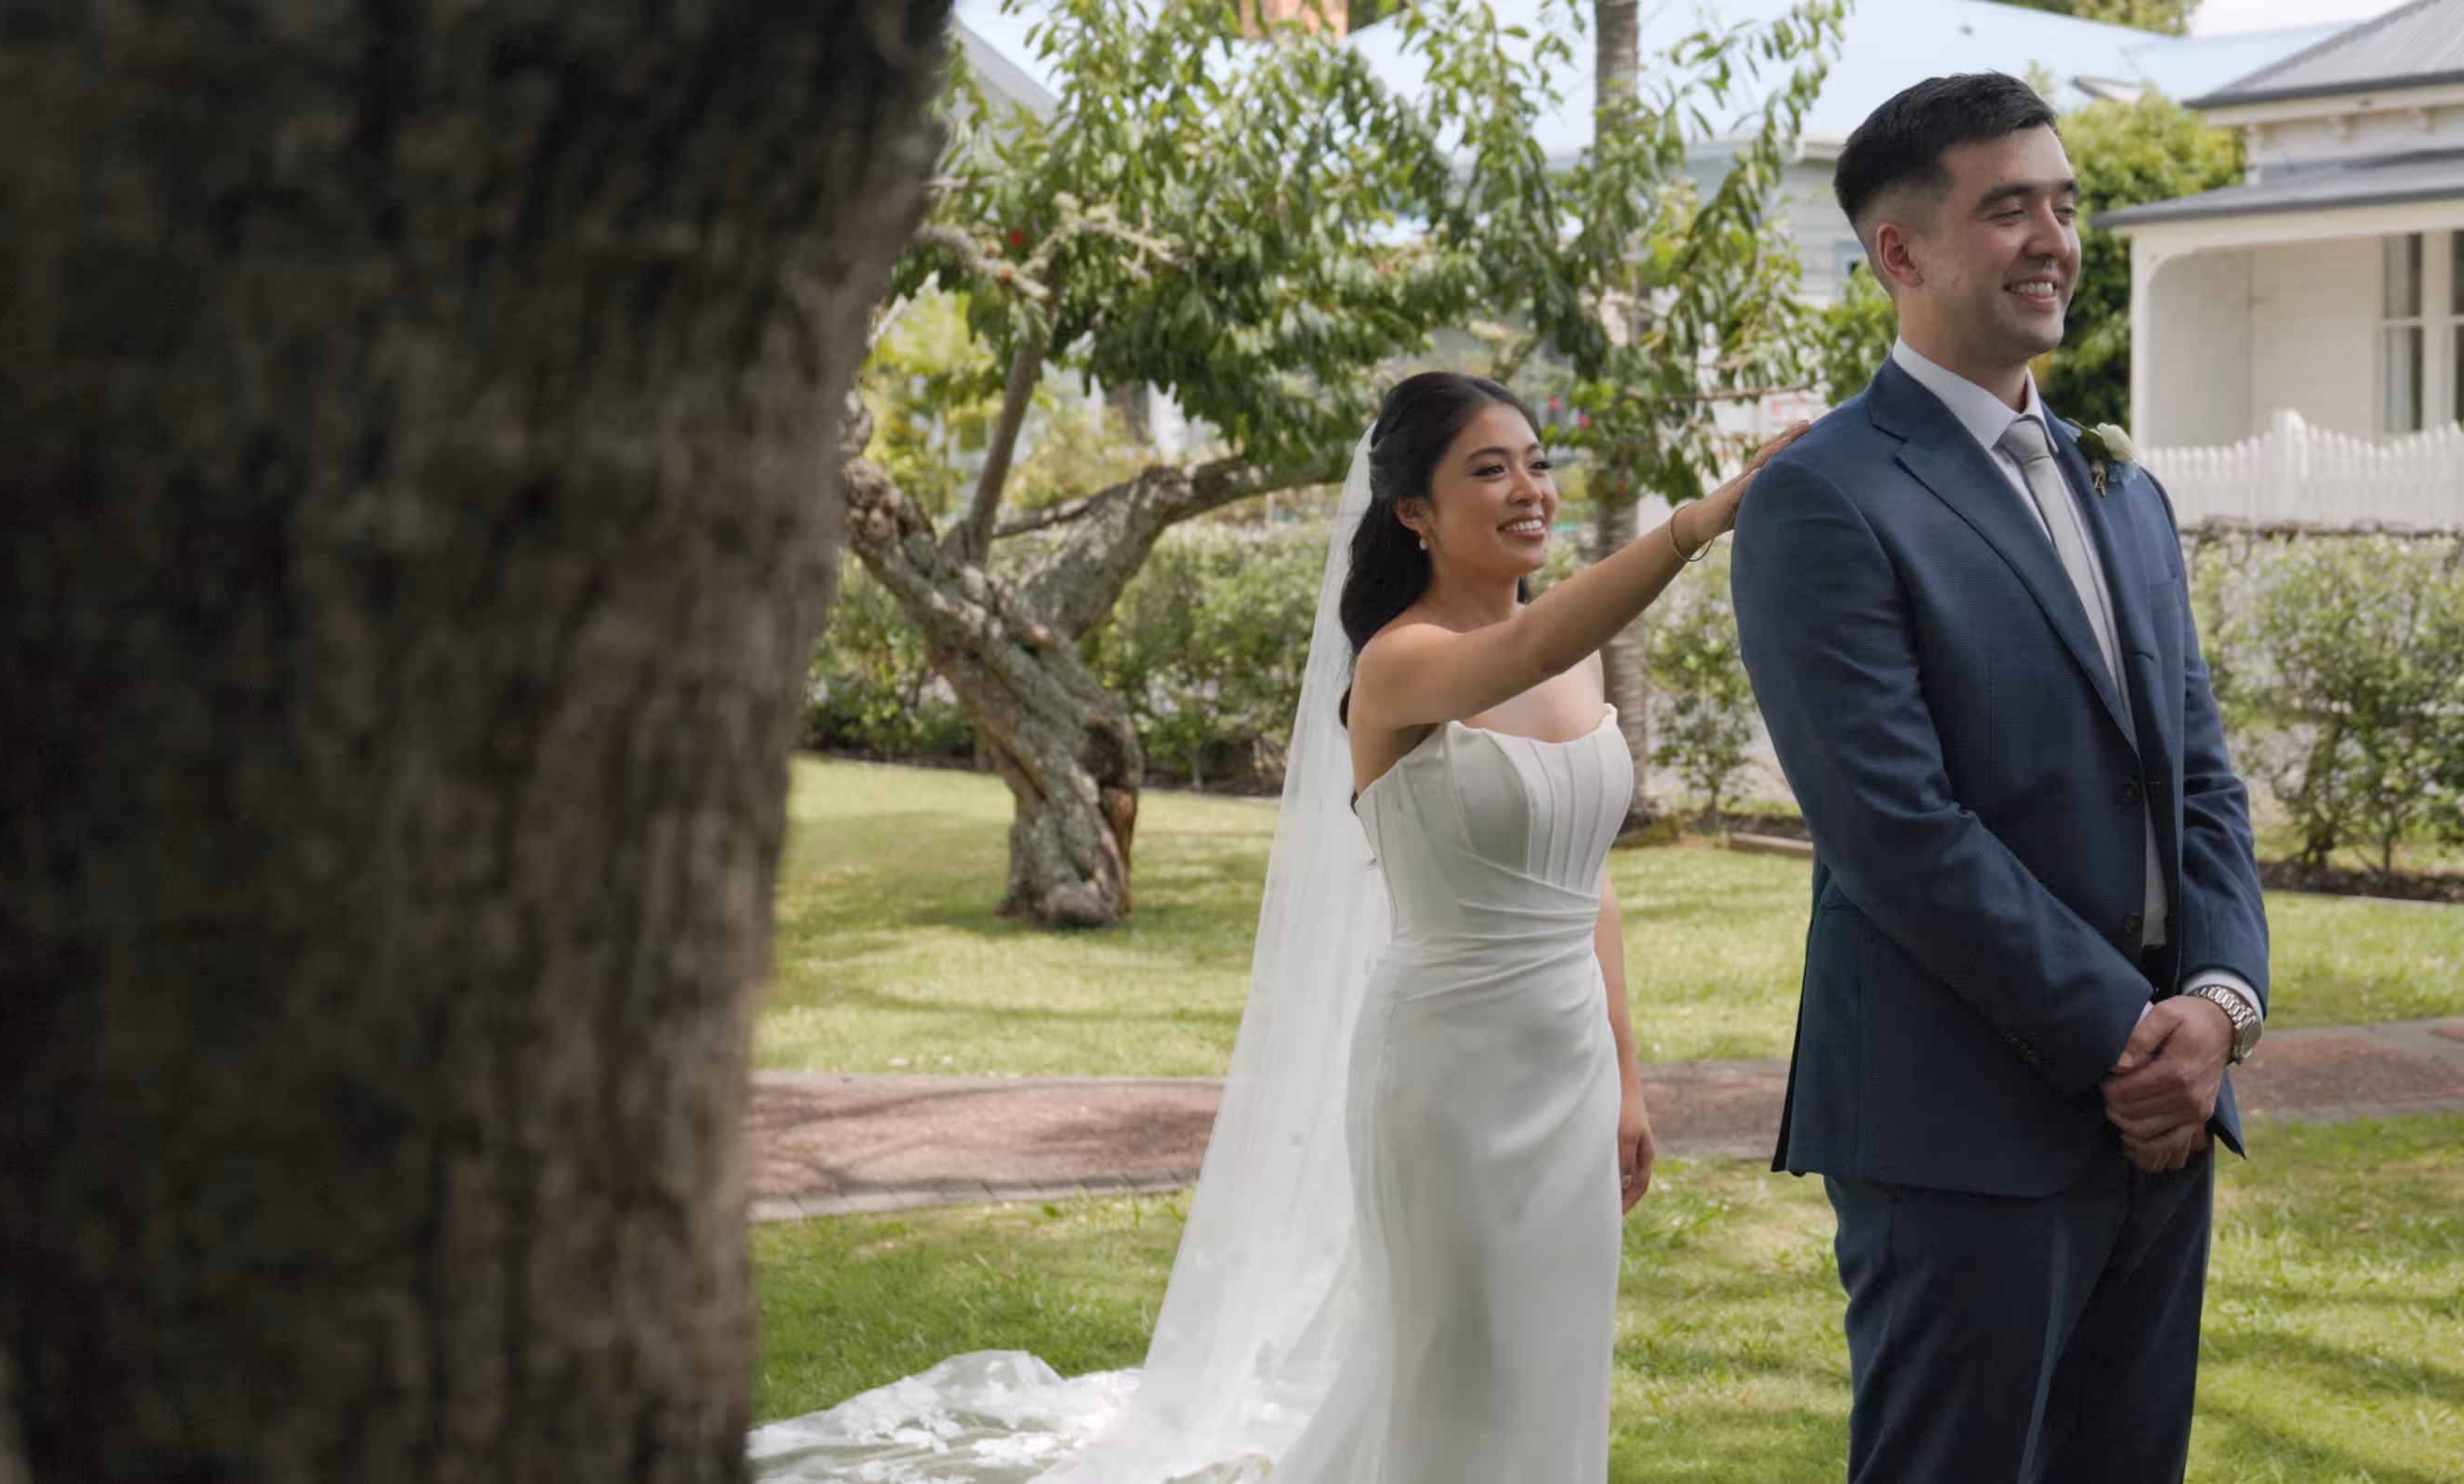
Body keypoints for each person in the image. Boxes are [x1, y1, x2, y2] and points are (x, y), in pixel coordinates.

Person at [748, 371, 1799, 1484]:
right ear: (1413, 512)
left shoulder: (1578, 654)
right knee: (1462, 1354)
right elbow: (1523, 655)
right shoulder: (1401, 662)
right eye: (1488, 469)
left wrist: (1630, 1080)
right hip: (1451, 1073)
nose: (1528, 487)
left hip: (1571, 1058)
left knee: (1556, 1349)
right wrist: (1704, 516)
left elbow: (1588, 886)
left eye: (1538, 461)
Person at [1727, 72, 2272, 1484]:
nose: (2054, 237)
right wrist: (2126, 1040)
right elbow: (1895, 827)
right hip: (1961, 1115)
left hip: (2166, 1101)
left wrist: (2215, 1006)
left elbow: (2199, 779)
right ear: (1898, 253)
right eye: (2008, 207)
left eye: (2066, 203)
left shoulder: (2122, 489)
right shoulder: (1825, 496)